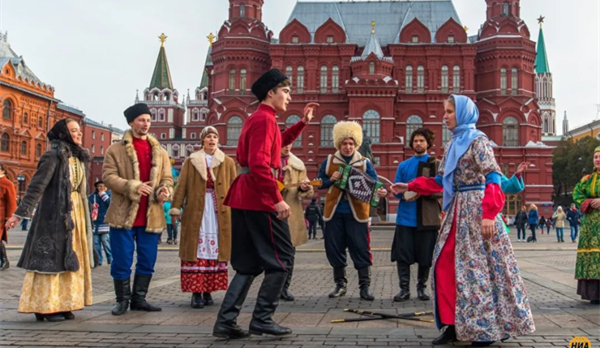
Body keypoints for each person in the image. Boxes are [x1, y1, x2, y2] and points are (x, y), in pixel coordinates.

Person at [391, 95, 534, 346]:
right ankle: (453, 324)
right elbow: (439, 181)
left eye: (449, 111)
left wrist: (489, 214)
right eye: (445, 111)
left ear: (463, 114)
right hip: (457, 211)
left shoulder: (478, 141)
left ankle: (484, 327)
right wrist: (409, 185)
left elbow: (493, 177)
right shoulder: (453, 144)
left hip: (478, 211)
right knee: (444, 265)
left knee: (477, 269)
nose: (445, 116)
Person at [212, 69, 318, 339]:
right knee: (282, 259)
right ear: (271, 92)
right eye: (286, 91)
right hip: (259, 197)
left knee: (247, 264)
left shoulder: (258, 118)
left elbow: (275, 144)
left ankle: (226, 321)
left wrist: (302, 123)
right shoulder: (265, 120)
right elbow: (260, 163)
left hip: (245, 196)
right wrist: (276, 198)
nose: (289, 97)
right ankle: (262, 319)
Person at [6, 118, 93, 322]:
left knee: (71, 256)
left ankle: (64, 303)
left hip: (76, 213)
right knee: (50, 259)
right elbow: (37, 186)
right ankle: (44, 306)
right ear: (63, 133)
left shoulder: (78, 157)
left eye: (79, 131)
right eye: (74, 131)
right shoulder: (53, 156)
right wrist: (20, 214)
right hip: (54, 215)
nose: (79, 134)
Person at [103, 103, 173, 316]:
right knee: (122, 259)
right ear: (131, 122)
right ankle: (122, 300)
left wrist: (164, 190)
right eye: (141, 120)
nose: (146, 124)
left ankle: (139, 298)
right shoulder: (115, 149)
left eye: (148, 120)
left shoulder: (160, 152)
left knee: (147, 259)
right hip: (123, 214)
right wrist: (133, 186)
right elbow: (108, 177)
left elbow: (168, 179)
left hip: (151, 214)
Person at [317, 121, 387, 301]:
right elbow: (319, 182)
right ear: (338, 144)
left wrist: (380, 191)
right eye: (344, 143)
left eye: (351, 143)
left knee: (361, 248)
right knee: (334, 248)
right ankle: (340, 284)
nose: (348, 147)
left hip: (357, 213)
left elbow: (374, 183)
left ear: (356, 144)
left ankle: (365, 287)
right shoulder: (330, 161)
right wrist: (329, 180)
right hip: (334, 212)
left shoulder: (364, 162)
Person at [169, 126, 236, 309]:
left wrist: (237, 210)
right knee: (196, 249)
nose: (212, 139)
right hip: (196, 211)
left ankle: (208, 291)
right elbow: (181, 186)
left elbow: (234, 188)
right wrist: (175, 208)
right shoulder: (192, 161)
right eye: (208, 137)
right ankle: (196, 292)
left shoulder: (227, 162)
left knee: (215, 250)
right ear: (202, 141)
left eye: (215, 136)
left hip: (218, 213)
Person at [391, 128, 441, 302]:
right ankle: (404, 289)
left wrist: (420, 192)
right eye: (415, 141)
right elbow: (397, 190)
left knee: (425, 256)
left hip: (427, 218)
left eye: (421, 140)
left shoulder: (435, 164)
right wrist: (397, 192)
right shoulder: (404, 165)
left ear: (428, 143)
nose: (418, 143)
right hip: (405, 218)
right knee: (402, 255)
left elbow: (441, 190)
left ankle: (422, 288)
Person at [278, 143, 314, 301]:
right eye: (284, 144)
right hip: (269, 212)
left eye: (290, 145)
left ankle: (284, 288)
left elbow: (306, 191)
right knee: (269, 252)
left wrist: (305, 188)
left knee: (289, 252)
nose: (287, 147)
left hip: (290, 213)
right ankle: (271, 287)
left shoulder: (298, 165)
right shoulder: (267, 161)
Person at [572, 146, 600, 305]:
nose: (598, 159)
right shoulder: (587, 179)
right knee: (591, 256)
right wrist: (588, 202)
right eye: (596, 157)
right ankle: (594, 294)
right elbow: (577, 194)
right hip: (590, 225)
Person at [89, 181, 112, 267]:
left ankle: (110, 257)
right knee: (95, 243)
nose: (101, 188)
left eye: (103, 186)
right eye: (99, 186)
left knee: (105, 241)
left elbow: (110, 204)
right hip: (95, 223)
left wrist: (103, 195)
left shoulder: (110, 195)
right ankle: (98, 260)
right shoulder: (92, 196)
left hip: (105, 223)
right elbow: (88, 204)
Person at [0, 163, 17, 271]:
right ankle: (4, 261)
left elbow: (11, 202)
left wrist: (9, 218)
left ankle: (5, 261)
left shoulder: (7, 183)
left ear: (2, 171)